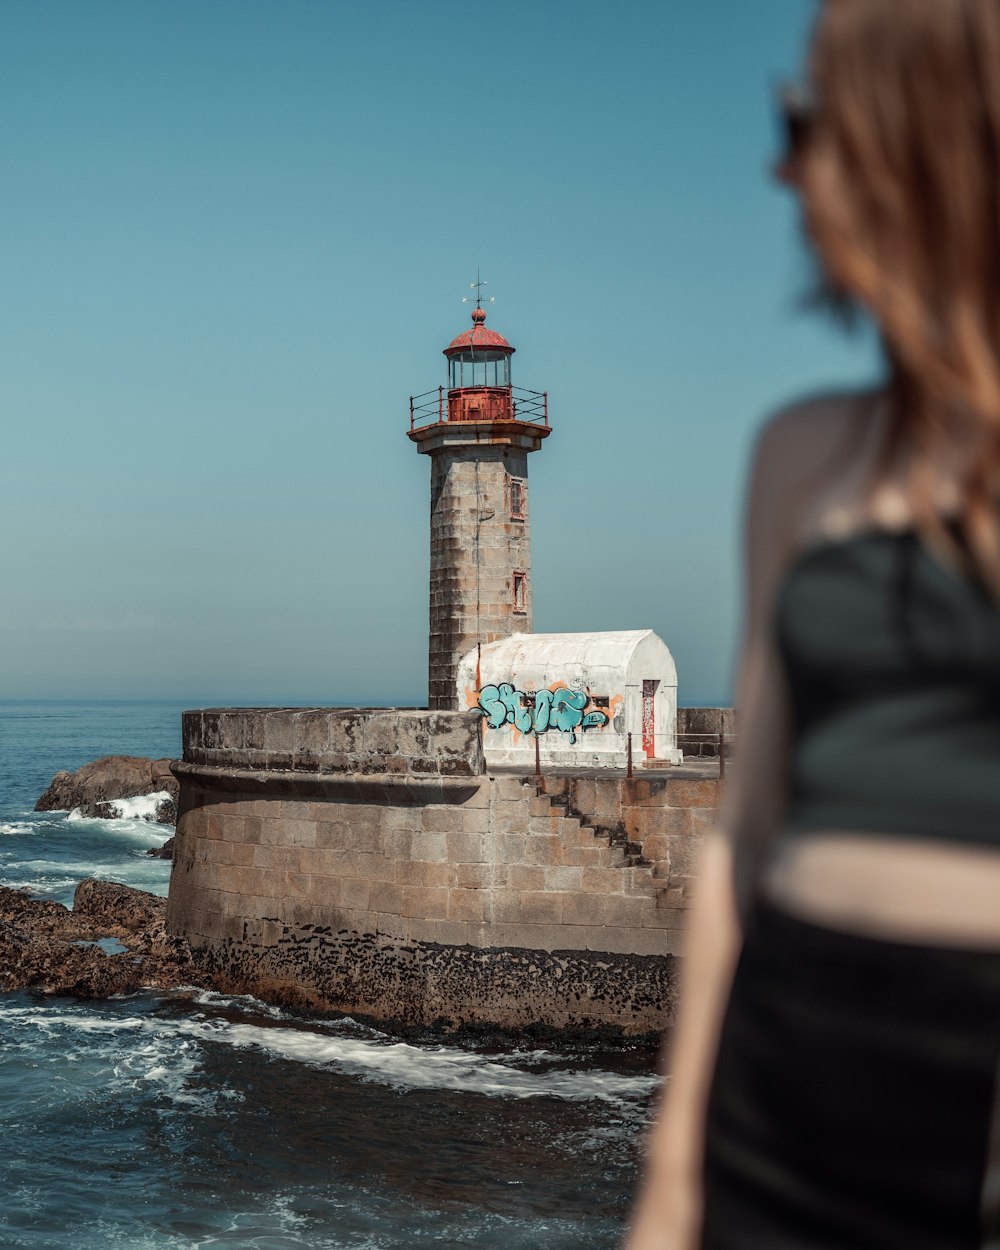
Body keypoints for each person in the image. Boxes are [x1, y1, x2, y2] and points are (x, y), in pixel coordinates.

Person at [625, 2, 1000, 1247]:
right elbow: (741, 832)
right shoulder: (801, 455)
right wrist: (670, 1189)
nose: (782, 165)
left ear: (918, 132)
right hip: (783, 1109)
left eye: (806, 119)